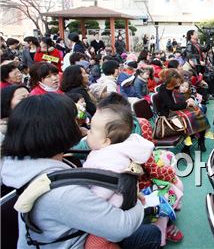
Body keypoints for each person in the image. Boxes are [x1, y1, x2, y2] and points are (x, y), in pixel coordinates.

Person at [1, 93, 161, 248]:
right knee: (151, 233)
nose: (80, 125)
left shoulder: (29, 165)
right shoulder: (62, 193)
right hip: (79, 242)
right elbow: (121, 227)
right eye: (74, 121)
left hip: (77, 230)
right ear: (57, 131)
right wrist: (137, 199)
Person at [83, 104, 155, 248]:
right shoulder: (113, 151)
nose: (87, 132)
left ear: (105, 141)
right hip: (121, 204)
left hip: (109, 215)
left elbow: (102, 191)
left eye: (91, 130)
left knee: (94, 245)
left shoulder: (108, 159)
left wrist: (83, 202)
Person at [157, 69, 207, 151]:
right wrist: (187, 103)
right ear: (171, 81)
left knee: (199, 114)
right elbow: (171, 106)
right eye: (176, 82)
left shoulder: (173, 86)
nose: (178, 84)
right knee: (191, 119)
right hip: (168, 114)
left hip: (176, 110)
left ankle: (201, 141)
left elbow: (187, 92)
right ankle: (187, 147)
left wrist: (191, 98)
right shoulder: (163, 89)